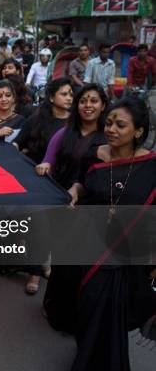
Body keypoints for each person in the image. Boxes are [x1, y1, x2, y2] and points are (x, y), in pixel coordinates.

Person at [67, 98, 155, 370]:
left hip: (127, 254)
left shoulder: (151, 167)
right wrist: (74, 191)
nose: (112, 129)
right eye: (109, 123)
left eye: (121, 125)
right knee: (86, 308)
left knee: (108, 313)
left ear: (138, 131)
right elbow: (83, 184)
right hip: (88, 243)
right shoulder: (96, 155)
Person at [14, 77, 73, 294]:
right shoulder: (37, 119)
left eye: (71, 95)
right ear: (51, 97)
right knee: (39, 229)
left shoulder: (75, 124)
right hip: (36, 183)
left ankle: (45, 264)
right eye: (64, 94)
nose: (69, 98)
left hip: (62, 184)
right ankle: (34, 274)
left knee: (55, 230)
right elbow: (17, 144)